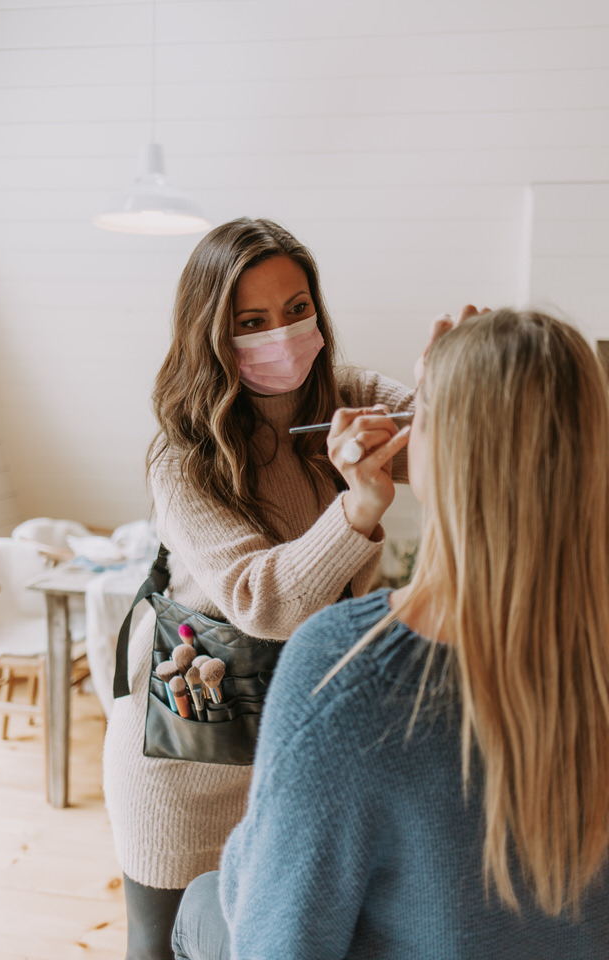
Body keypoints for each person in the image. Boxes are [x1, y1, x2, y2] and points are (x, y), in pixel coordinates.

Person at [172, 309, 609, 960]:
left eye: (420, 411)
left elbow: (278, 941)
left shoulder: (346, 670)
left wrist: (257, 842)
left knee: (202, 902)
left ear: (428, 444)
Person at [103, 217, 424, 959]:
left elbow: (455, 437)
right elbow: (260, 598)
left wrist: (454, 374)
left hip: (301, 750)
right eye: (252, 322)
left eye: (297, 308)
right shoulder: (184, 459)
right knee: (162, 945)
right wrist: (358, 506)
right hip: (186, 755)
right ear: (212, 332)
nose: (282, 334)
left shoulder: (352, 398)